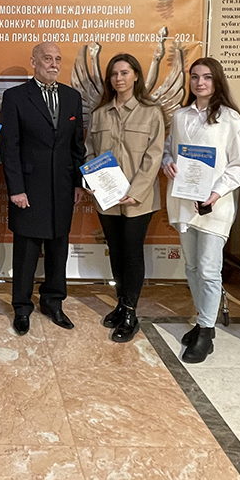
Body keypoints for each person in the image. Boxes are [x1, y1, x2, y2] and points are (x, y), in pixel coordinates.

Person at [161, 57, 240, 362]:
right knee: (192, 267)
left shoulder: (230, 119)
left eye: (207, 77)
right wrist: (167, 164)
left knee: (209, 268)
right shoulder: (180, 115)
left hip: (215, 205)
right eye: (195, 77)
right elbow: (169, 150)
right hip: (184, 202)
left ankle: (207, 331)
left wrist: (216, 192)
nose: (200, 83)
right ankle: (202, 319)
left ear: (217, 81)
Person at [0, 41, 86, 335]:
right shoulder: (15, 97)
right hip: (28, 188)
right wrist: (16, 188)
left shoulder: (72, 97)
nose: (53, 64)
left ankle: (53, 302)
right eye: (47, 58)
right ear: (34, 61)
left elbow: (77, 146)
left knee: (58, 248)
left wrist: (78, 182)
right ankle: (22, 307)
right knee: (26, 251)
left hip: (62, 187)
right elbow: (10, 147)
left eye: (57, 59)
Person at [85, 53, 164, 343]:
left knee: (131, 252)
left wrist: (136, 191)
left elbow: (154, 157)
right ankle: (121, 303)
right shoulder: (99, 114)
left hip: (137, 200)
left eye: (124, 73)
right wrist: (91, 180)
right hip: (106, 199)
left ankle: (131, 312)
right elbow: (89, 152)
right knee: (116, 251)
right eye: (114, 74)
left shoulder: (150, 112)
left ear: (136, 76)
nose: (119, 78)